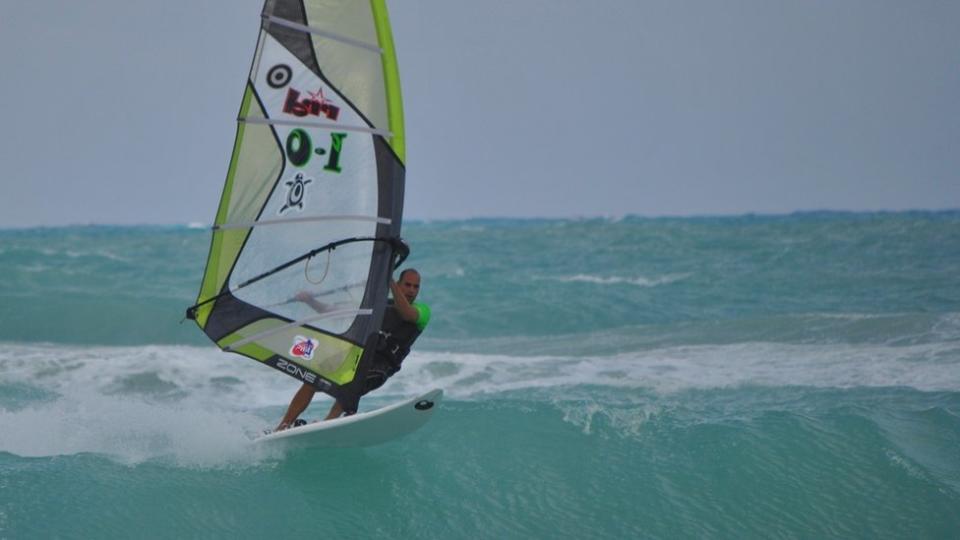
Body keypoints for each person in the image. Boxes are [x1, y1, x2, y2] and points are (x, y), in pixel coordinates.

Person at [274, 268, 431, 430]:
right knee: (312, 379)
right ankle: (282, 426)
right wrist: (310, 301)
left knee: (350, 388)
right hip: (358, 356)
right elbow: (333, 311)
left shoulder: (423, 311)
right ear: (400, 284)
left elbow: (407, 314)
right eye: (407, 285)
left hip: (380, 367)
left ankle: (325, 424)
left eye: (416, 287)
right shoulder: (380, 305)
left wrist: (389, 282)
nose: (412, 290)